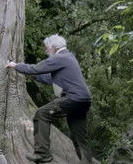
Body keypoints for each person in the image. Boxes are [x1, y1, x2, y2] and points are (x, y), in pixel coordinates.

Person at [7, 34, 92, 163]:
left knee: (42, 114)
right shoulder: (68, 57)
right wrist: (30, 74)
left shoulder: (60, 57)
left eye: (47, 48)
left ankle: (42, 153)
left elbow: (36, 69)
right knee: (79, 136)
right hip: (83, 100)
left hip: (73, 98)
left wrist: (16, 66)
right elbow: (46, 78)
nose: (46, 50)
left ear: (54, 47)